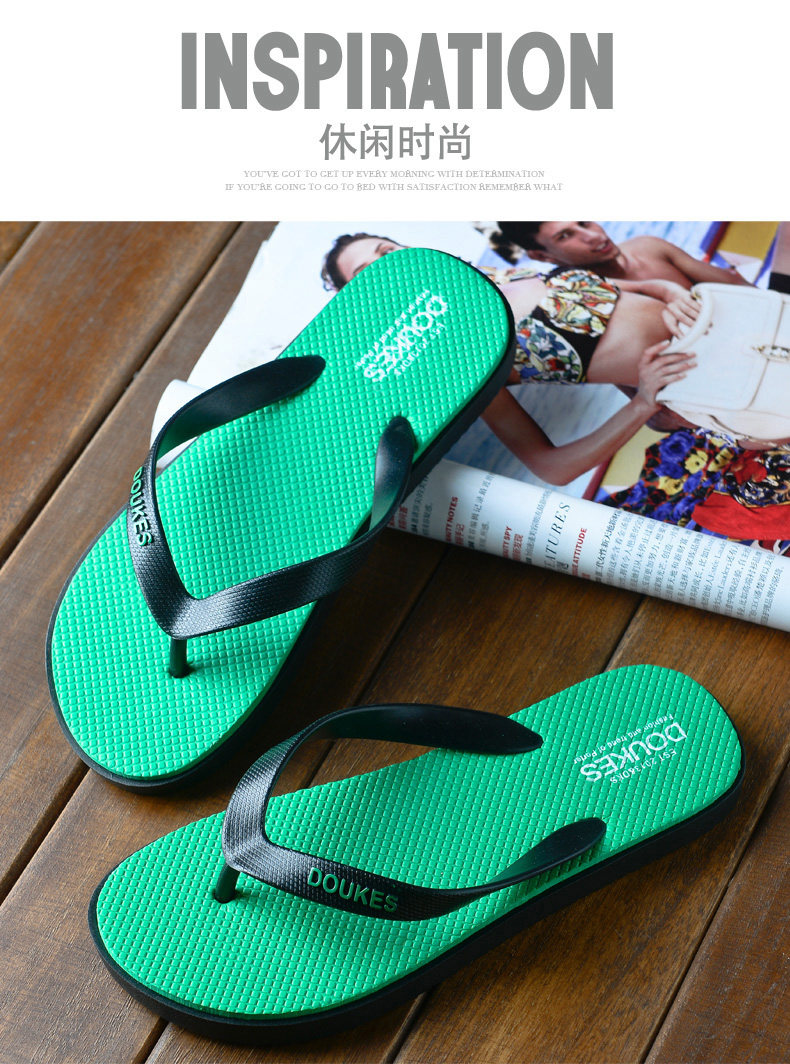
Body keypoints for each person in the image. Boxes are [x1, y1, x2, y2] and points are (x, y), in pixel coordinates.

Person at [493, 221, 752, 289]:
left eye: (584, 222)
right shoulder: (595, 304)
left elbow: (739, 286)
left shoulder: (649, 247)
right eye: (565, 236)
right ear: (542, 257)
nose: (592, 236)